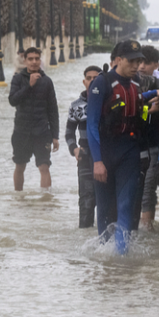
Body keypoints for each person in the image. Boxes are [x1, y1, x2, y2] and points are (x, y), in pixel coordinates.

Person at [87, 40, 159, 254]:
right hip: (105, 153)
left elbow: (138, 98)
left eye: (138, 61)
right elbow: (91, 124)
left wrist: (157, 93)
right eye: (131, 61)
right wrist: (97, 161)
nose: (136, 66)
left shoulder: (136, 84)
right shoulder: (101, 83)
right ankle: (104, 255)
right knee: (105, 209)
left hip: (129, 154)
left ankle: (121, 257)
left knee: (126, 205)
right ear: (118, 60)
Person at [9, 47, 59, 191]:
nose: (34, 62)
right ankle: (19, 199)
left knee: (44, 166)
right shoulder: (18, 79)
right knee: (20, 166)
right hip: (21, 131)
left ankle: (45, 200)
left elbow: (53, 110)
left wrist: (55, 135)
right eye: (30, 59)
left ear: (40, 60)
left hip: (42, 131)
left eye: (37, 59)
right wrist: (28, 86)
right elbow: (13, 101)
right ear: (25, 60)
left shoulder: (47, 81)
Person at [136, 46, 159, 230]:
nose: (141, 66)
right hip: (133, 146)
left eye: (146, 63)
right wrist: (148, 110)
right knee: (136, 188)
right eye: (139, 62)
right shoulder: (129, 84)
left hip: (155, 145)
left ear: (156, 64)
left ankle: (147, 229)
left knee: (148, 188)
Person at [66, 65, 102, 228]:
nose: (92, 81)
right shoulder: (76, 105)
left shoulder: (107, 102)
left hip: (105, 156)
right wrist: (74, 149)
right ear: (84, 82)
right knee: (86, 201)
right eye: (89, 78)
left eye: (96, 78)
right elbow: (69, 133)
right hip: (85, 156)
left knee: (106, 201)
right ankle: (85, 236)